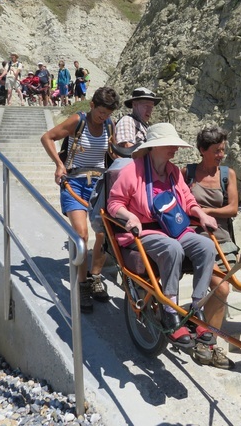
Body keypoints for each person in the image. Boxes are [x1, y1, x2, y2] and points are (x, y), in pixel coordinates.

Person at [106, 123, 218, 349]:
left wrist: (200, 214)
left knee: (207, 247)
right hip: (144, 231)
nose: (174, 150)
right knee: (172, 248)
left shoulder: (173, 172)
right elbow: (113, 203)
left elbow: (187, 201)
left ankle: (197, 308)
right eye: (170, 145)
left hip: (174, 228)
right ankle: (170, 311)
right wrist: (130, 217)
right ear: (154, 147)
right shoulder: (132, 171)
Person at [40, 86, 120, 313]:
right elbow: (47, 137)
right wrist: (59, 164)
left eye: (108, 113)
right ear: (92, 105)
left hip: (99, 183)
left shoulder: (109, 126)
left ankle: (95, 278)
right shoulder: (78, 120)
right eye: (100, 112)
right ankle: (82, 283)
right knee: (82, 235)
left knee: (103, 235)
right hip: (74, 182)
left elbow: (111, 152)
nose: (103, 117)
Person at [182, 126, 238, 369]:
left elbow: (233, 209)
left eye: (223, 150)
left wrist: (207, 212)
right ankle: (209, 341)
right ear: (202, 150)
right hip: (194, 237)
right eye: (216, 151)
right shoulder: (189, 173)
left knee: (222, 289)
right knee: (222, 290)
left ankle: (199, 322)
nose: (221, 155)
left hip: (221, 237)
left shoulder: (228, 175)